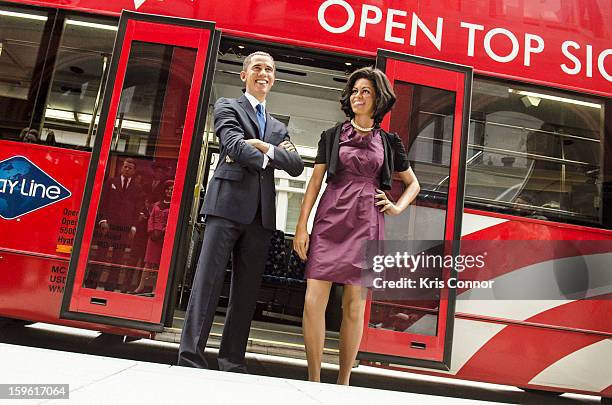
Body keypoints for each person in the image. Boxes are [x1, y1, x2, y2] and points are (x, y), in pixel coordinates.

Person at [293, 67, 420, 385]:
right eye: (354, 91)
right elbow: (314, 183)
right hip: (330, 220)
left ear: (378, 97)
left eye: (365, 91)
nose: (358, 96)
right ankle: (314, 377)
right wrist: (301, 227)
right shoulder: (332, 135)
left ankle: (344, 381)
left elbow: (413, 184)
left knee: (354, 306)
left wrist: (395, 206)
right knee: (313, 300)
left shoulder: (390, 142)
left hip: (367, 223)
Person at [178, 51, 304, 372]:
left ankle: (232, 360)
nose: (265, 74)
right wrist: (267, 155)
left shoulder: (278, 126)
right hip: (225, 207)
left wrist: (264, 147)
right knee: (207, 284)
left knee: (246, 293)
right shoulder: (227, 106)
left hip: (260, 217)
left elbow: (295, 165)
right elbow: (232, 144)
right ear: (244, 75)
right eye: (258, 68)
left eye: (270, 70)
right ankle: (190, 357)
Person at [89, 157, 144, 291]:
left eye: (130, 168)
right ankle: (92, 283)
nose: (126, 169)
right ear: (121, 167)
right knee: (101, 255)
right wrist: (102, 220)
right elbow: (103, 201)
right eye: (125, 167)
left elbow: (138, 209)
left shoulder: (137, 188)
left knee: (118, 258)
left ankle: (110, 286)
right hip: (108, 225)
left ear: (134, 171)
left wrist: (133, 226)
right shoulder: (111, 182)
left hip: (124, 227)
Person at [135, 180, 174, 295]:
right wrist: (151, 231)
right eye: (167, 189)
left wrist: (164, 231)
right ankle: (140, 287)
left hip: (164, 238)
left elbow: (172, 221)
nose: (169, 191)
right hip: (153, 238)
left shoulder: (175, 205)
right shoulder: (157, 204)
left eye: (172, 189)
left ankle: (154, 289)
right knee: (148, 263)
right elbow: (151, 219)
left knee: (159, 265)